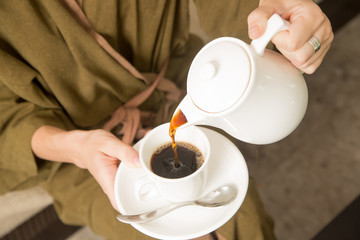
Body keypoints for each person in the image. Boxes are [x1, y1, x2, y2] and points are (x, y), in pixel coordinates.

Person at [0, 0, 333, 239]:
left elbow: (241, 11)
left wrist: (271, 12)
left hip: (177, 86)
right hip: (76, 150)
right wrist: (77, 147)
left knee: (246, 226)